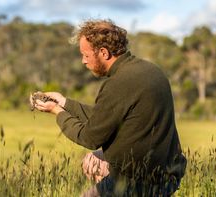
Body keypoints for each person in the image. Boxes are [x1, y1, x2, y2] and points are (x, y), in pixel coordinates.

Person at [30, 19, 186, 196]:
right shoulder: (150, 70)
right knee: (94, 160)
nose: (83, 61)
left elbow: (90, 138)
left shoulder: (118, 83)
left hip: (142, 183)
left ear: (103, 53)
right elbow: (103, 117)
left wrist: (57, 112)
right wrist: (65, 103)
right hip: (168, 172)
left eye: (86, 55)